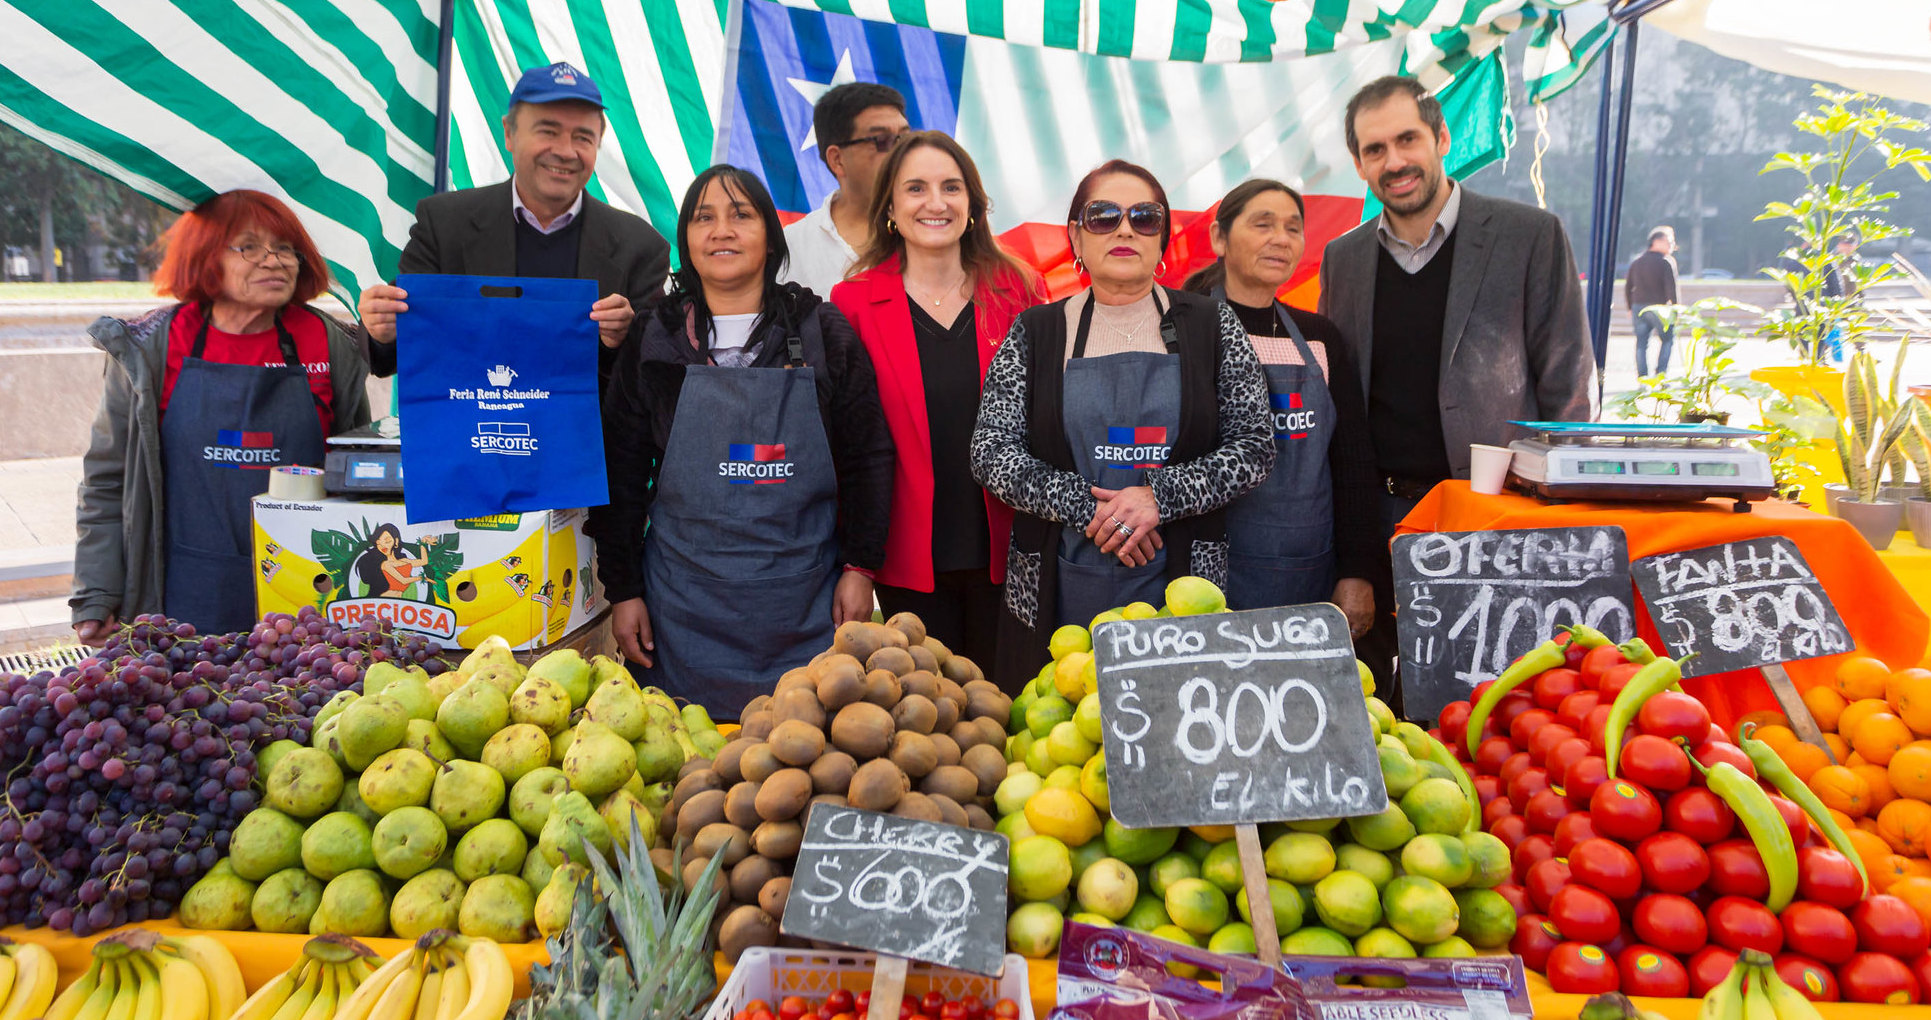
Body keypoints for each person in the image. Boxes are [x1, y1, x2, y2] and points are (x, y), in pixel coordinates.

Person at [1317, 75, 1592, 700]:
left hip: (1489, 513)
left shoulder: (1530, 236)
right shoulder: (1345, 258)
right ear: (1359, 164)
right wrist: (1354, 549)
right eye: (1375, 149)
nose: (1395, 161)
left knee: (1486, 704)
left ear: (1442, 138)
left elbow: (1569, 392)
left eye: (1407, 139)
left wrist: (1553, 522)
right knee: (1378, 705)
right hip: (1382, 518)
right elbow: (1342, 406)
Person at [590, 166, 895, 717]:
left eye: (741, 215)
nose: (721, 231)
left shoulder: (823, 331)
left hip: (805, 605)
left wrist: (861, 568)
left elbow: (868, 458)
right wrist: (624, 590)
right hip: (682, 607)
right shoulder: (654, 335)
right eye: (703, 217)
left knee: (803, 760)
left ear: (771, 237)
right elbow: (621, 469)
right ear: (685, 238)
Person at [971, 160, 1274, 691]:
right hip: (1052, 575)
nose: (1126, 229)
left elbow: (1255, 446)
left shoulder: (1211, 324)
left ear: (1162, 240)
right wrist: (1092, 509)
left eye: (1145, 217)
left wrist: (1157, 499)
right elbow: (991, 452)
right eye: (1104, 216)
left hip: (1183, 575)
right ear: (1076, 238)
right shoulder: (1037, 330)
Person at [71, 190, 374, 640]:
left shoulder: (328, 344)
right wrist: (95, 592)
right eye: (249, 247)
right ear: (205, 257)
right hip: (182, 594)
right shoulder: (150, 347)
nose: (275, 261)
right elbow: (107, 480)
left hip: (307, 602)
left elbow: (357, 479)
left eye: (285, 247)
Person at [831, 132, 1044, 669]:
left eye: (951, 187)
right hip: (908, 552)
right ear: (891, 209)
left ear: (972, 204)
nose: (935, 202)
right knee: (939, 723)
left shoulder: (1019, 289)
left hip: (1014, 542)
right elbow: (847, 440)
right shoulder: (853, 301)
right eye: (916, 188)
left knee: (1012, 705)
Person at [355, 62, 670, 386]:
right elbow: (396, 345)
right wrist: (382, 329)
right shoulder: (445, 224)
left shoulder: (640, 246)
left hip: (590, 435)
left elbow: (653, 378)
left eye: (583, 138)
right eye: (548, 131)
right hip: (471, 430)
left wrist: (620, 340)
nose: (565, 151)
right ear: (509, 133)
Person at [1182, 180, 1379, 637]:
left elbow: (1352, 463)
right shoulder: (1182, 329)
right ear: (1219, 238)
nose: (1281, 239)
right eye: (1262, 224)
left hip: (1308, 570)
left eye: (1293, 228)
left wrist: (1358, 571)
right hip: (1205, 576)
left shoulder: (1320, 337)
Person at [781, 83, 910, 298]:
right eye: (881, 141)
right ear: (837, 160)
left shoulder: (934, 231)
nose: (900, 152)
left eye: (905, 139)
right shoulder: (791, 249)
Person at [1626, 226, 1679, 376]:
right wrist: (1675, 309)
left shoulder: (1637, 262)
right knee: (1668, 339)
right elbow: (1671, 289)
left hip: (1638, 307)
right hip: (1659, 309)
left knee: (1641, 344)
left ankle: (1642, 377)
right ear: (1657, 241)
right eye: (1669, 241)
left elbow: (1628, 286)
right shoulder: (1666, 262)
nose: (1672, 245)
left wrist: (1630, 307)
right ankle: (1661, 373)